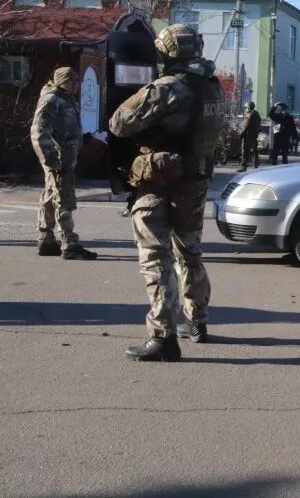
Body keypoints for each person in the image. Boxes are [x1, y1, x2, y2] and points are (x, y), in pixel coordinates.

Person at [109, 24, 226, 362]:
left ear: (165, 52)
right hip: (195, 179)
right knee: (189, 252)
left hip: (160, 181)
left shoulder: (167, 88)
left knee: (155, 256)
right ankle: (197, 321)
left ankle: (163, 337)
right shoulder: (212, 87)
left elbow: (119, 123)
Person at [30, 66, 97, 260]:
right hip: (58, 158)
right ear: (62, 80)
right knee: (64, 198)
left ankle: (46, 239)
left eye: (78, 81)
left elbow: (65, 126)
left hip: (66, 156)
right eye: (72, 81)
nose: (77, 85)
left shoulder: (66, 98)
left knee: (51, 195)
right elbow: (38, 131)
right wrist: (50, 158)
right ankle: (70, 243)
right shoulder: (51, 100)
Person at [238, 101, 262, 172]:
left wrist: (240, 134)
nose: (245, 109)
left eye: (246, 108)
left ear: (248, 108)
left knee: (246, 150)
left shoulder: (249, 115)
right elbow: (259, 125)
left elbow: (245, 126)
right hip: (254, 134)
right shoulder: (257, 114)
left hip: (248, 135)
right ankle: (256, 163)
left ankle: (244, 166)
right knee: (255, 149)